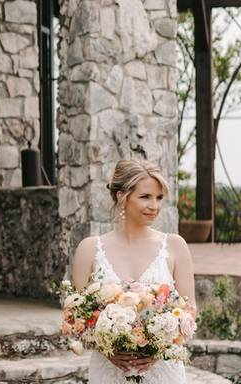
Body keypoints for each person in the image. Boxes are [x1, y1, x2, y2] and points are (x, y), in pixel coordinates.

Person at [70, 159, 197, 384]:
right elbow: (76, 319)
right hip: (109, 372)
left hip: (163, 372)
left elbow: (189, 311)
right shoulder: (89, 250)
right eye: (145, 197)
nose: (155, 206)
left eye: (159, 198)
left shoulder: (175, 246)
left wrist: (158, 349)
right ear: (122, 196)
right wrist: (107, 348)